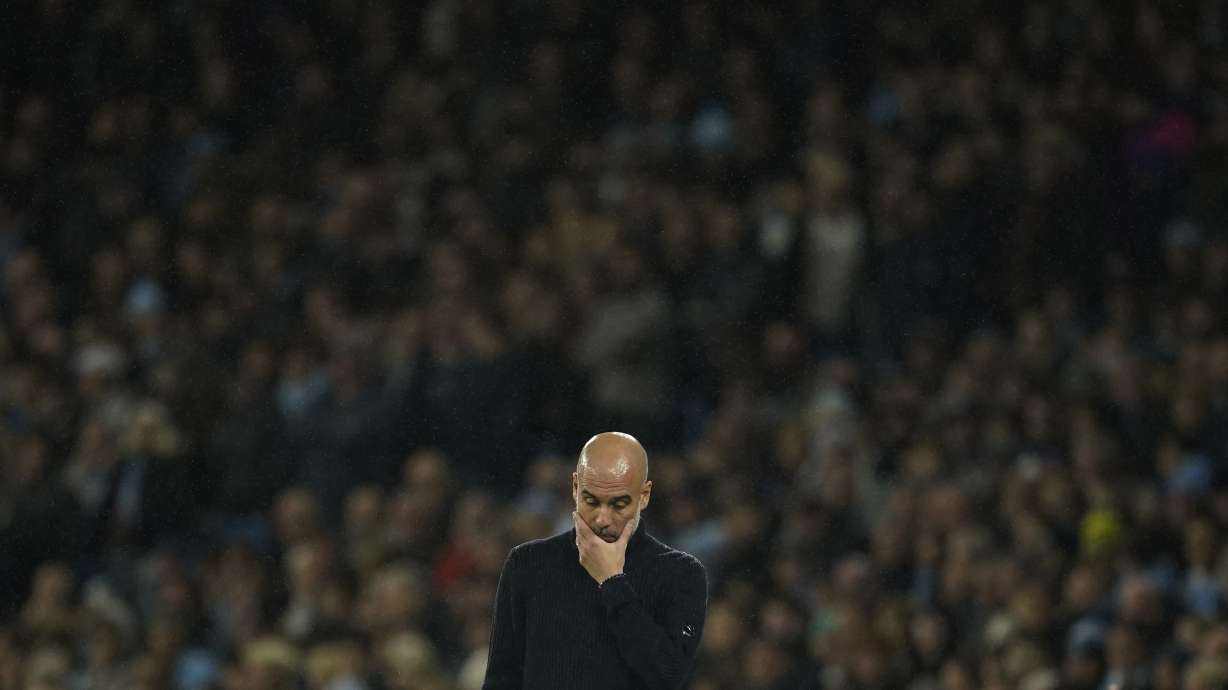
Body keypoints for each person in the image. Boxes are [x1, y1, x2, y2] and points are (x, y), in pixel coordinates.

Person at [482, 432, 709, 689]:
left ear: (644, 495)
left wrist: (613, 582)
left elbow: (669, 675)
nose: (602, 519)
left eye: (619, 504)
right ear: (575, 487)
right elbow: (501, 680)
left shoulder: (681, 573)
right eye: (591, 501)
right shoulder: (527, 564)